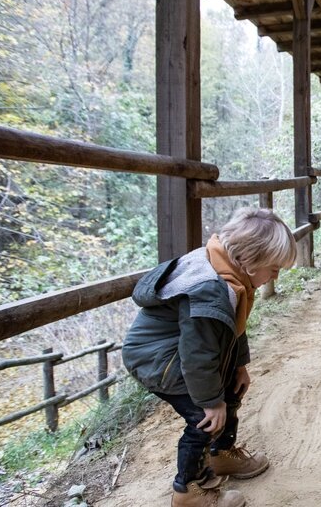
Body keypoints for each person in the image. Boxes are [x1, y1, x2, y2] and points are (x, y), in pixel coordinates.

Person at [122, 207, 296, 507]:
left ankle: (220, 457)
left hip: (184, 352)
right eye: (274, 267)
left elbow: (231, 329)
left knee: (229, 389)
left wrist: (239, 366)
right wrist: (210, 403)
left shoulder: (232, 275)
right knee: (204, 418)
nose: (276, 275)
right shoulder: (210, 289)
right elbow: (198, 356)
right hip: (158, 359)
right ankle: (189, 490)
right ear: (250, 259)